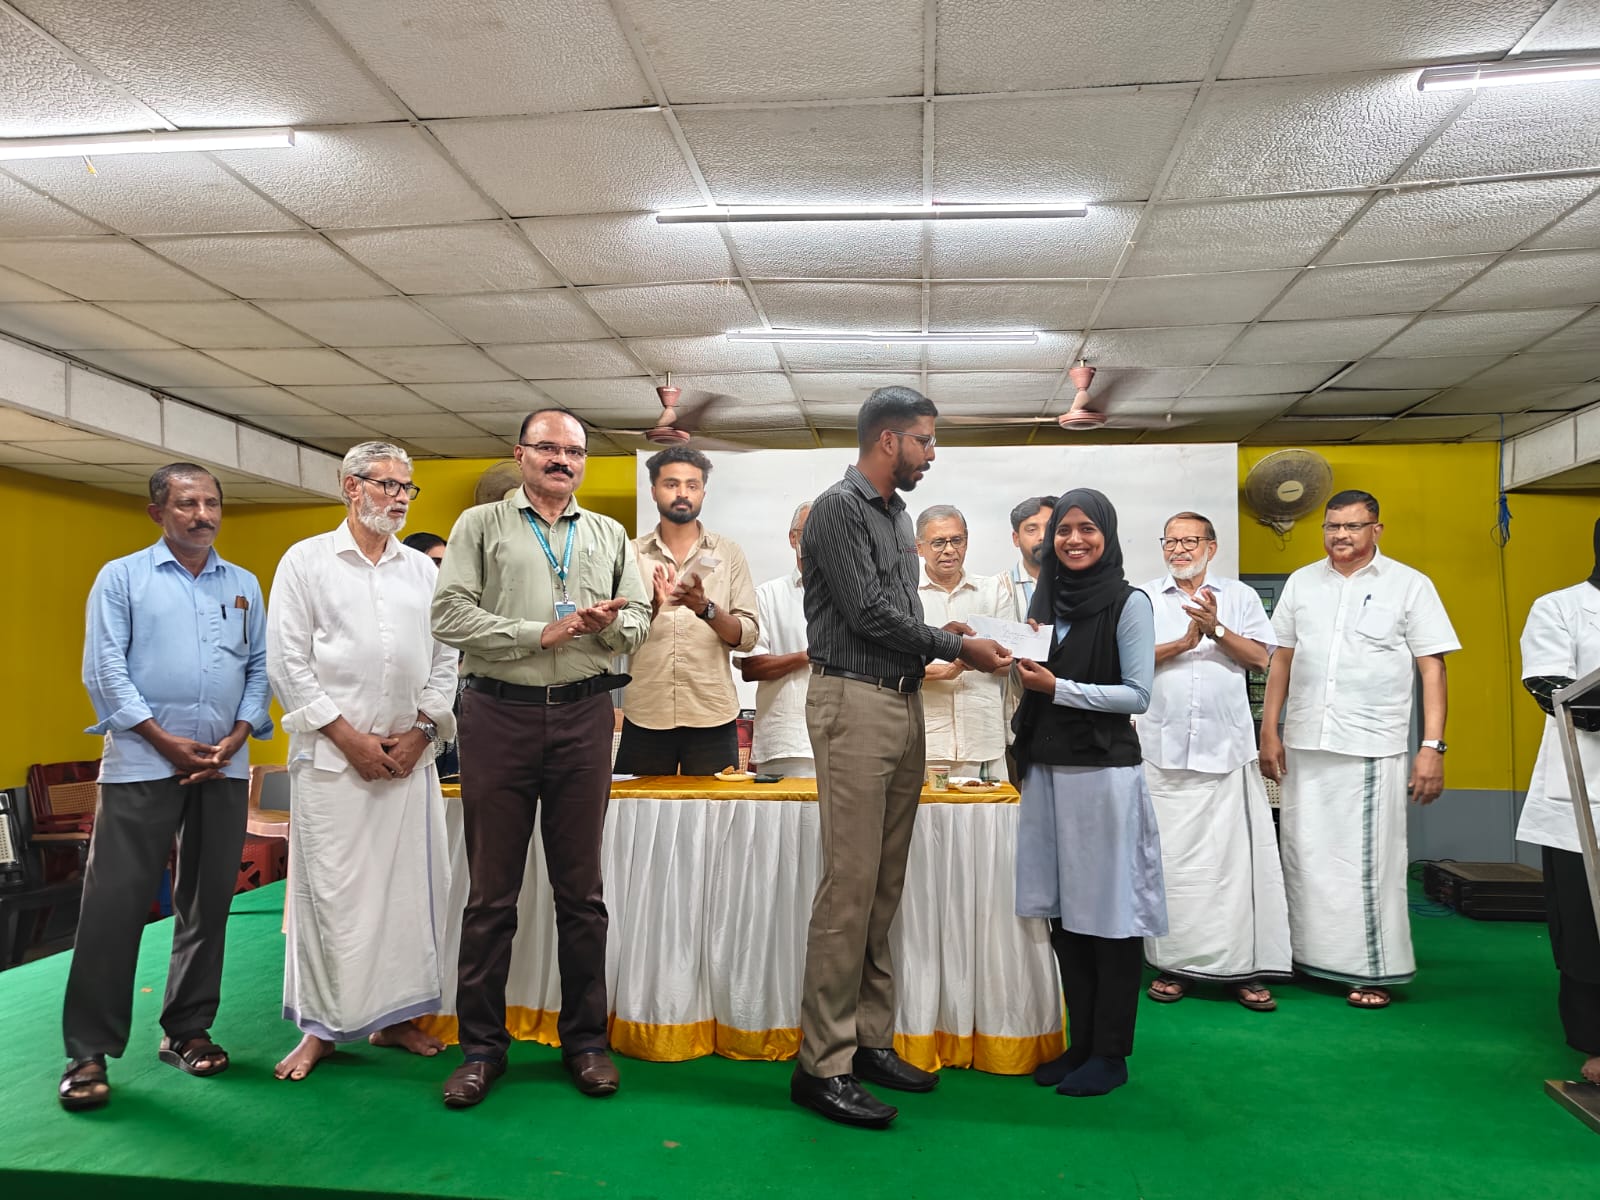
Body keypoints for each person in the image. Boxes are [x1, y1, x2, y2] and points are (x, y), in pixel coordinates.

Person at [792, 385, 1013, 1129]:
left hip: (900, 699)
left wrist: (944, 638)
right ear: (888, 440)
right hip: (853, 702)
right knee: (849, 889)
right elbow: (866, 614)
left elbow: (897, 615)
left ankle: (868, 1042)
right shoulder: (838, 508)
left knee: (884, 887)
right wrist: (958, 646)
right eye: (924, 440)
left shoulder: (896, 515)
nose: (931, 454)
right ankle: (821, 1066)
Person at [431, 410, 651, 1107]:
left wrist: (609, 627)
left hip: (586, 717)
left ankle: (585, 1043)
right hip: (498, 716)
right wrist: (540, 633)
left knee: (582, 895)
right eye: (548, 448)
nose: (562, 460)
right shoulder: (480, 526)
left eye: (574, 451)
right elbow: (448, 615)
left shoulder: (608, 534)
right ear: (521, 454)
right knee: (490, 896)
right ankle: (481, 1050)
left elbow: (641, 618)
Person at [60, 463, 272, 1111]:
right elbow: (104, 669)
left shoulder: (242, 585)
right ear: (158, 513)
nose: (202, 515)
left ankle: (187, 1031)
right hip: (142, 763)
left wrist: (238, 736)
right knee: (114, 905)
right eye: (186, 504)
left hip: (223, 765)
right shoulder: (123, 577)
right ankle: (88, 1052)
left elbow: (260, 668)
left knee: (208, 903)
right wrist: (163, 740)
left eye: (211, 503)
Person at [267, 442, 460, 1082]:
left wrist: (422, 732)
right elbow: (287, 663)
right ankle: (322, 1030)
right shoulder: (306, 562)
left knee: (406, 898)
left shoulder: (422, 571)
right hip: (332, 763)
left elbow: (447, 659)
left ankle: (395, 1019)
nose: (400, 498)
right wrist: (347, 738)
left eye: (407, 488)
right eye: (387, 485)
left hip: (408, 761)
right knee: (332, 900)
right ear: (351, 486)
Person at [1259, 490, 1459, 1010]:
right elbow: (1281, 659)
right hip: (1306, 741)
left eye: (1353, 526)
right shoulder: (1302, 582)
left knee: (1366, 864)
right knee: (1303, 855)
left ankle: (1370, 969)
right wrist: (1270, 729)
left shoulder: (1409, 585)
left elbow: (1432, 667)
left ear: (1376, 529)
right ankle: (1304, 957)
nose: (1341, 536)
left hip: (1370, 745)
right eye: (1333, 527)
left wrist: (1432, 746)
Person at [1012, 489, 1161, 1098]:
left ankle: (1110, 1053)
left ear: (1108, 534)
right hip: (1047, 769)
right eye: (1063, 531)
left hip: (1102, 776)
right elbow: (1034, 678)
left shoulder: (1129, 602)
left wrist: (1059, 687)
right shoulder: (1045, 602)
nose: (1073, 540)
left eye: (1086, 528)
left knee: (1110, 916)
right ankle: (1080, 1044)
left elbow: (1138, 694)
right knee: (1065, 916)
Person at [1138, 511, 1290, 1012]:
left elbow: (1261, 658)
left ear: (1212, 546)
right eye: (1171, 541)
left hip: (1226, 751)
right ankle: (1174, 966)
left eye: (1190, 541)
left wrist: (1216, 628)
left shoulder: (1239, 597)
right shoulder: (1143, 598)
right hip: (1162, 752)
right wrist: (1184, 642)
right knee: (1171, 865)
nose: (1179, 549)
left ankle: (1241, 969)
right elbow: (1127, 661)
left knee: (1233, 868)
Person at [1516, 517, 1600, 1085]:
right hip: (1582, 791)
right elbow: (1550, 689)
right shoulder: (1560, 607)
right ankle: (1594, 1040)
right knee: (1585, 918)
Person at [616, 446, 758, 775]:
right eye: (672, 484)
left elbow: (748, 635)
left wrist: (705, 608)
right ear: (654, 491)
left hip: (712, 714)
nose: (682, 493)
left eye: (692, 485)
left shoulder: (728, 553)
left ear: (703, 493)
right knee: (640, 807)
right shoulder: (630, 554)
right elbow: (617, 637)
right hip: (647, 714)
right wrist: (653, 606)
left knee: (715, 808)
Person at [916, 504, 1016, 780]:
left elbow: (1011, 663)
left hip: (982, 736)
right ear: (919, 548)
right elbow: (890, 666)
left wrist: (988, 659)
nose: (949, 550)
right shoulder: (905, 595)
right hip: (926, 741)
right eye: (938, 542)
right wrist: (947, 670)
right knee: (925, 810)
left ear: (967, 541)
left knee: (989, 809)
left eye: (956, 540)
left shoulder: (992, 592)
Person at [738, 502, 815, 778]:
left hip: (846, 738)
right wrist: (808, 656)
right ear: (793, 538)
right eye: (809, 531)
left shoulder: (853, 597)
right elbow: (751, 667)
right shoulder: (767, 595)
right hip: (787, 742)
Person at [1007, 496, 1057, 619]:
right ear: (1016, 538)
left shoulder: (1081, 584)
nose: (1043, 536)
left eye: (1050, 528)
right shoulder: (997, 589)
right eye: (1032, 530)